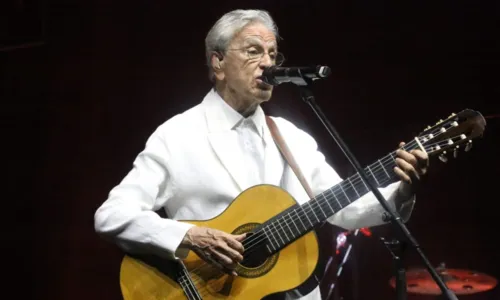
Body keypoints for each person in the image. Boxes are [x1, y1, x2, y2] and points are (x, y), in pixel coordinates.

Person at [94, 9, 429, 300]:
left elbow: (347, 210)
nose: (268, 63)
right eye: (254, 51)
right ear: (219, 63)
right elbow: (112, 215)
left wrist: (403, 189)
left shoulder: (291, 137)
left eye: (273, 54)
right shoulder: (178, 135)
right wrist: (191, 236)